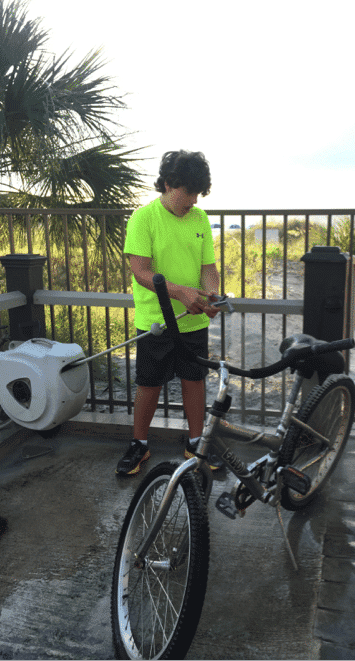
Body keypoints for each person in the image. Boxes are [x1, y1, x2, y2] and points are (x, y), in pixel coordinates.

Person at [116, 150, 222, 476]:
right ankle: (139, 444)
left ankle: (195, 441)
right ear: (166, 184)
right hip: (156, 322)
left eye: (197, 193)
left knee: (194, 379)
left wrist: (213, 294)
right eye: (187, 192)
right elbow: (141, 273)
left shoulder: (200, 219)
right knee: (149, 383)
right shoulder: (143, 218)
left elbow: (208, 268)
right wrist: (179, 291)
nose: (192, 199)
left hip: (194, 319)